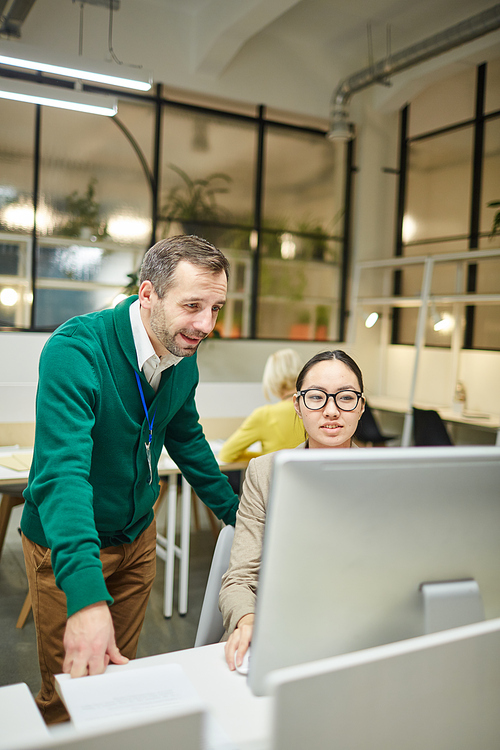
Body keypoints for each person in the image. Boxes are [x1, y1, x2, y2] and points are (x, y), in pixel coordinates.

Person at [21, 235, 239, 723]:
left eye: (216, 308)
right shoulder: (76, 350)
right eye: (193, 306)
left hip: (138, 537)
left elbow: (186, 437)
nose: (206, 325)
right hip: (72, 546)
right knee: (68, 700)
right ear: (148, 295)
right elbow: (63, 476)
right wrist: (84, 594)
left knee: (119, 687)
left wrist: (238, 516)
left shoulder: (183, 349)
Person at [219, 349, 365, 671]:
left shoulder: (388, 477)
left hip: (358, 635)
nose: (331, 411)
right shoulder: (265, 473)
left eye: (346, 398)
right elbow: (240, 578)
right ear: (298, 405)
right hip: (281, 629)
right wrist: (247, 620)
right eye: (316, 398)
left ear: (361, 407)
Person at [218, 348, 304, 463]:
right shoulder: (315, 410)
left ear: (271, 379)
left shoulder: (265, 415)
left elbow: (226, 454)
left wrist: (267, 456)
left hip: (275, 479)